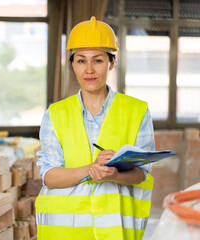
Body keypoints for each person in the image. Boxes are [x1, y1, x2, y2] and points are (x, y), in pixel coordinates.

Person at [35, 16, 155, 240]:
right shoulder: (55, 114)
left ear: (111, 62)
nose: (89, 70)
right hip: (63, 232)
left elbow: (140, 174)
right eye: (81, 61)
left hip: (115, 232)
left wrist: (114, 174)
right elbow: (49, 176)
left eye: (97, 60)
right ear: (72, 64)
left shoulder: (137, 111)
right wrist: (92, 168)